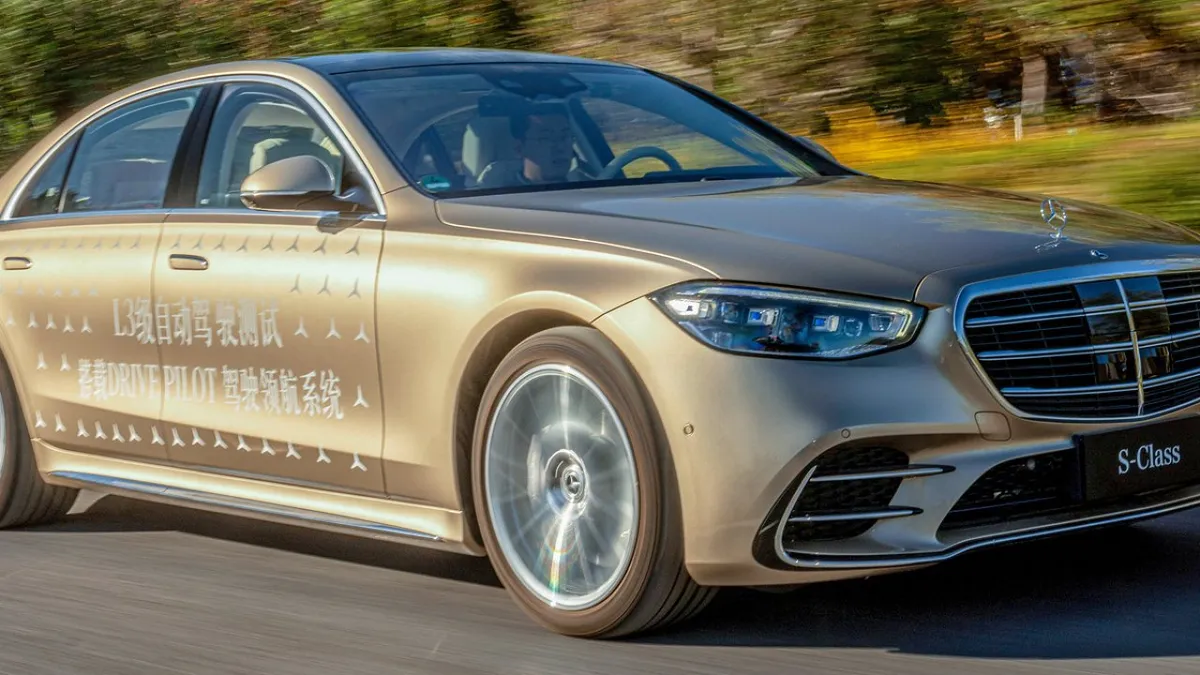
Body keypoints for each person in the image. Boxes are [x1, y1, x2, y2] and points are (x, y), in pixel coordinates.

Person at [475, 108, 586, 188]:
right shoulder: (497, 202)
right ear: (519, 148)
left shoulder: (590, 186)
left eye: (565, 137)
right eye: (546, 138)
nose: (560, 147)